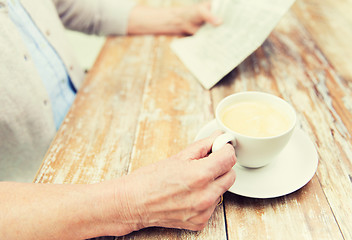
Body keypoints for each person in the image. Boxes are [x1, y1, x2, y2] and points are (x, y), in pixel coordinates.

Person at [0, 0, 236, 238]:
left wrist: (177, 18)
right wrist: (131, 204)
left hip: (90, 119)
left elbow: (69, 6)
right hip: (42, 201)